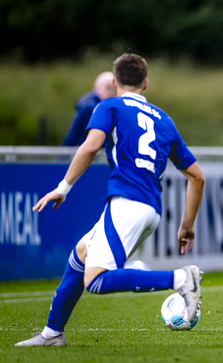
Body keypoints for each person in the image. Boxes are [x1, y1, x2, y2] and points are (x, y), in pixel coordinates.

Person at [16, 53, 205, 347]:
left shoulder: (110, 106)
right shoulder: (164, 119)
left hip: (127, 203)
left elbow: (91, 146)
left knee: (95, 280)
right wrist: (187, 226)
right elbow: (197, 177)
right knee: (80, 255)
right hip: (149, 209)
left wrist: (63, 188)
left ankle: (180, 279)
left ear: (114, 82)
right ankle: (53, 333)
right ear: (146, 83)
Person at [63, 72, 116, 146]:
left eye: (114, 89)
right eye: (108, 88)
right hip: (77, 152)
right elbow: (94, 141)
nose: (111, 93)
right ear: (97, 87)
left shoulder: (90, 103)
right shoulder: (90, 107)